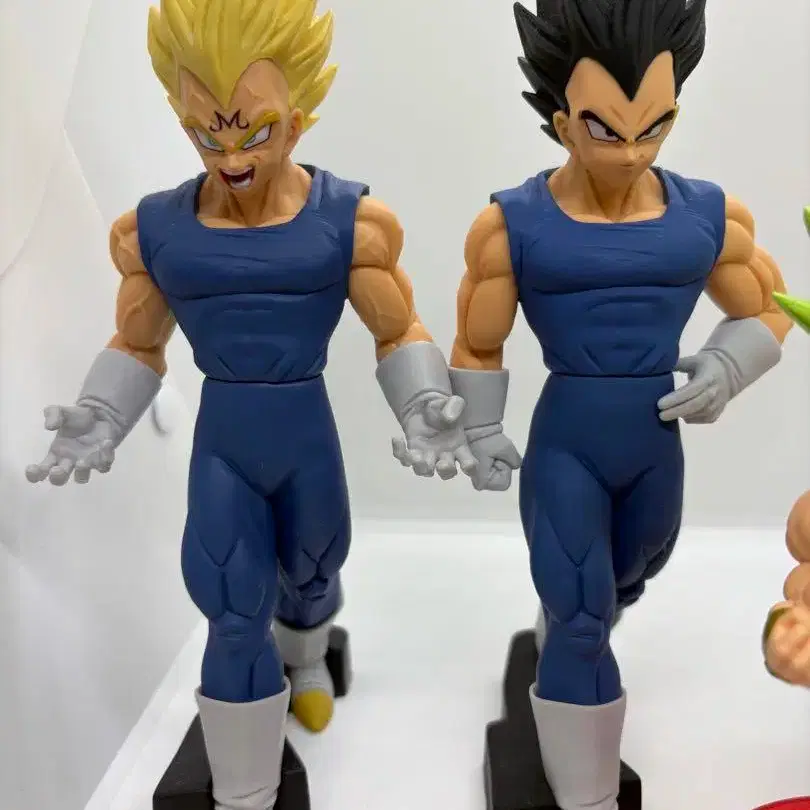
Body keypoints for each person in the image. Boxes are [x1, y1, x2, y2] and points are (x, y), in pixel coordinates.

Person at [24, 1, 475, 807]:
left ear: (297, 119)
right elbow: (137, 342)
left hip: (306, 434)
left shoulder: (348, 223)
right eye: (209, 134)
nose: (231, 156)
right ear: (182, 119)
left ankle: (307, 656)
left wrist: (423, 403)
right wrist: (104, 410)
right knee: (232, 605)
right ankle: (246, 790)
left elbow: (396, 327)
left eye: (253, 132)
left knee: (314, 565)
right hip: (225, 443)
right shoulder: (157, 232)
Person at [444, 1, 794, 807]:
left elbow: (771, 306)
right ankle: (588, 790)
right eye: (607, 129)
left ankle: (579, 618)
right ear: (563, 122)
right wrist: (481, 428)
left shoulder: (706, 215)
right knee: (581, 614)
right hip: (567, 443)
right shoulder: (513, 224)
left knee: (631, 574)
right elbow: (479, 339)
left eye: (654, 126)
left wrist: (728, 366)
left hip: (654, 444)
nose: (633, 151)